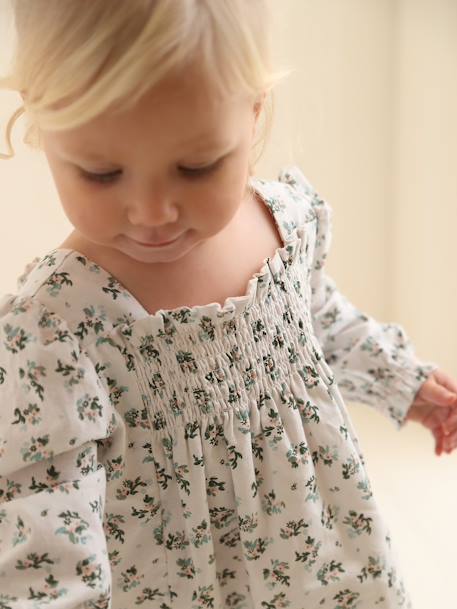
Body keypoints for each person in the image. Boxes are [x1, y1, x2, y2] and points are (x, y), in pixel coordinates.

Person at [0, 2, 456, 608]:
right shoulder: (55, 328)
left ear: (254, 109)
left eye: (196, 168)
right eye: (103, 173)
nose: (154, 213)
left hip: (318, 557)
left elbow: (317, 319)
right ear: (39, 122)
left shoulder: (285, 225)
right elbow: (45, 515)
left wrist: (403, 380)